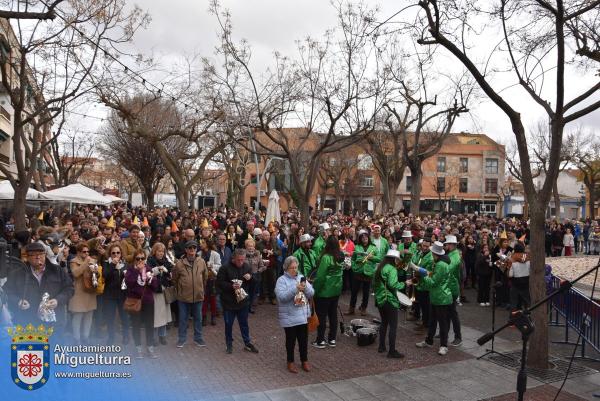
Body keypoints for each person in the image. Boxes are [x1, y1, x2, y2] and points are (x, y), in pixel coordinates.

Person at [5, 242, 73, 336]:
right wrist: (18, 301)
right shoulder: (18, 273)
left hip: (53, 323)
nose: (38, 257)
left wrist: (58, 300)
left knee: (53, 347)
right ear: (27, 257)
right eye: (33, 255)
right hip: (28, 324)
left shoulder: (57, 270)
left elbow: (69, 288)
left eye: (41, 254)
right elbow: (7, 292)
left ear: (45, 255)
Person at [275, 256, 314, 373]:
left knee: (303, 340)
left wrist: (305, 286)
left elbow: (311, 293)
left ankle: (304, 360)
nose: (294, 270)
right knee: (290, 341)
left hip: (302, 316)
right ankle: (290, 362)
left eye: (296, 267)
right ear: (286, 269)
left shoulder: (301, 277)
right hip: (289, 317)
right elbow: (281, 298)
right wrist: (295, 288)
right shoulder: (281, 280)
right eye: (292, 268)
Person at [216, 248, 259, 354]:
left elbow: (254, 283)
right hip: (228, 303)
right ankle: (229, 344)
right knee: (228, 324)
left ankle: (247, 343)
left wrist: (251, 278)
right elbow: (219, 283)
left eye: (242, 260)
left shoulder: (246, 266)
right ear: (233, 258)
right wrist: (231, 286)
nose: (241, 262)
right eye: (238, 260)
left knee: (244, 324)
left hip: (243, 302)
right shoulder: (225, 268)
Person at [415, 241, 453, 356]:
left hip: (442, 298)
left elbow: (433, 282)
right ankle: (429, 341)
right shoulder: (438, 262)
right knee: (433, 321)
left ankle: (444, 345)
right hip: (436, 297)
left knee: (442, 323)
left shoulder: (441, 265)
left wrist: (424, 275)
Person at [172, 240, 208, 348]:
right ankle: (182, 339)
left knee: (198, 318)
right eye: (190, 248)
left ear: (196, 250)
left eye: (194, 248)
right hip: (183, 298)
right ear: (186, 250)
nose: (192, 250)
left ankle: (198, 338)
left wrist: (200, 288)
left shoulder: (201, 262)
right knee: (183, 319)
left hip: (198, 296)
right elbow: (175, 279)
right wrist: (181, 290)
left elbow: (205, 277)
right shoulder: (179, 264)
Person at [124, 249, 159, 358]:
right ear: (134, 259)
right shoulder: (130, 270)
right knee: (136, 325)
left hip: (148, 301)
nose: (140, 261)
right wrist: (137, 272)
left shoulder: (148, 269)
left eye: (142, 258)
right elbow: (129, 284)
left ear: (145, 259)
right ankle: (138, 348)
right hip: (135, 302)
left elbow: (155, 287)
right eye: (138, 258)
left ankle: (150, 348)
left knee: (149, 325)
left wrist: (151, 279)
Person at [372, 249, 406, 358]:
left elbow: (374, 284)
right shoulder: (392, 269)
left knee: (384, 323)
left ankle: (381, 346)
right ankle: (392, 351)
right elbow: (393, 284)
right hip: (389, 300)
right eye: (397, 259)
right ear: (393, 259)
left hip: (380, 299)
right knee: (393, 326)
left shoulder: (379, 267)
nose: (397, 261)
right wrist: (404, 284)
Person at [311, 236, 343, 349]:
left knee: (322, 316)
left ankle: (320, 340)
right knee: (333, 315)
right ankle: (332, 339)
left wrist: (315, 290)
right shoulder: (340, 256)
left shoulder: (326, 258)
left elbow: (320, 277)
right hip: (336, 290)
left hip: (324, 292)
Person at [69, 242, 98, 345]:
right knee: (78, 315)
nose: (86, 253)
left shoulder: (93, 261)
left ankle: (86, 337)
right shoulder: (73, 261)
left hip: (90, 290)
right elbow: (76, 273)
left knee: (89, 315)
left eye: (87, 251)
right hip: (79, 291)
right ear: (78, 252)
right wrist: (86, 263)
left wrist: (95, 270)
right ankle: (76, 338)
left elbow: (97, 275)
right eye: (84, 251)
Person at [102, 244, 130, 345]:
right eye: (113, 253)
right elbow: (105, 275)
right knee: (110, 317)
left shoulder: (125, 264)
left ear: (121, 253)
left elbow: (129, 279)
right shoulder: (106, 263)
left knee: (124, 317)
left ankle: (126, 336)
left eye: (118, 252)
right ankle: (111, 337)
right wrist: (112, 265)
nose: (116, 255)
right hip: (110, 295)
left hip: (122, 294)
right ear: (110, 254)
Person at [147, 242, 173, 345]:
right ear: (154, 251)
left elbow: (170, 270)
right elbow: (148, 273)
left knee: (164, 315)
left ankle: (162, 336)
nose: (161, 253)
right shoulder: (150, 261)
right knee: (155, 316)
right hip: (154, 291)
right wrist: (158, 269)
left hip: (164, 291)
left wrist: (169, 272)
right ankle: (153, 337)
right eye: (159, 251)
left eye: (162, 251)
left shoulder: (166, 261)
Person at [348, 230, 380, 316]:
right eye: (362, 237)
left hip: (368, 272)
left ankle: (363, 308)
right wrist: (354, 267)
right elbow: (353, 258)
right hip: (358, 272)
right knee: (354, 292)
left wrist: (371, 257)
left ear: (368, 238)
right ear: (360, 239)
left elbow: (379, 258)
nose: (364, 238)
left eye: (366, 237)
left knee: (366, 293)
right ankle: (351, 308)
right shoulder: (357, 247)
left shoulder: (373, 247)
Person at [411, 237, 433, 331]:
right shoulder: (420, 253)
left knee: (425, 306)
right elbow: (415, 261)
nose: (424, 248)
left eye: (427, 246)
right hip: (418, 282)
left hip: (425, 285)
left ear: (430, 246)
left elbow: (428, 272)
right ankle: (419, 317)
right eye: (423, 245)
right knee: (418, 301)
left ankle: (426, 324)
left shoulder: (431, 257)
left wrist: (417, 270)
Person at [444, 235, 462, 346]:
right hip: (448, 286)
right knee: (446, 312)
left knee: (452, 313)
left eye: (447, 244)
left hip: (452, 288)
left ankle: (458, 336)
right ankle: (444, 332)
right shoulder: (450, 253)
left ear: (452, 245)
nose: (446, 246)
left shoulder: (455, 255)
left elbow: (449, 268)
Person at [198, 239, 221, 326]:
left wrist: (211, 266)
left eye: (203, 242)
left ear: (207, 244)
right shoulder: (199, 254)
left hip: (212, 278)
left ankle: (213, 316)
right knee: (203, 298)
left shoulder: (215, 254)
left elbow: (219, 265)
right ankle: (204, 317)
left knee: (212, 299)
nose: (201, 244)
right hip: (202, 279)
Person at [256, 229, 281, 305]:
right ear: (262, 236)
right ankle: (262, 297)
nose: (267, 237)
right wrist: (262, 251)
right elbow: (256, 252)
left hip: (272, 265)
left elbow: (279, 251)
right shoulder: (259, 243)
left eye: (268, 235)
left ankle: (272, 297)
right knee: (262, 281)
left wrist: (273, 252)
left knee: (272, 281)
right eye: (265, 235)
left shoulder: (274, 242)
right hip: (262, 265)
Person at [244, 238, 265, 313]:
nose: (251, 248)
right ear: (246, 247)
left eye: (252, 246)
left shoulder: (257, 254)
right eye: (249, 246)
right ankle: (245, 307)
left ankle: (251, 307)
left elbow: (262, 266)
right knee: (246, 292)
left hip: (255, 276)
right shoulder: (243, 255)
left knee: (253, 293)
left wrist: (258, 272)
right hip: (245, 277)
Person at [508, 242, 530, 311]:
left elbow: (510, 274)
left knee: (514, 302)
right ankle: (528, 317)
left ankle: (513, 318)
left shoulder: (512, 259)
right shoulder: (528, 258)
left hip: (515, 283)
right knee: (527, 301)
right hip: (526, 282)